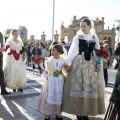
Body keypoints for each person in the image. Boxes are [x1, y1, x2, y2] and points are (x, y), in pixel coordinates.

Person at [62, 18, 105, 120]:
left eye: (84, 26)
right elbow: (72, 52)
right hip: (79, 63)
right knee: (78, 87)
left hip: (91, 65)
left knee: (88, 88)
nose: (82, 28)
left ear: (90, 26)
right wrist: (65, 63)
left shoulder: (95, 37)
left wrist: (99, 64)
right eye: (81, 26)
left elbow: (98, 52)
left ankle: (85, 112)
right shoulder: (78, 37)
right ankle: (78, 111)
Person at [37, 44, 65, 120]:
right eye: (51, 50)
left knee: (58, 95)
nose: (52, 51)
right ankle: (48, 113)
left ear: (59, 52)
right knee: (49, 95)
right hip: (51, 79)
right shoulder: (49, 60)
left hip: (59, 80)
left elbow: (65, 69)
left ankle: (58, 113)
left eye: (54, 50)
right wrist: (41, 67)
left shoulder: (63, 60)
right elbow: (47, 71)